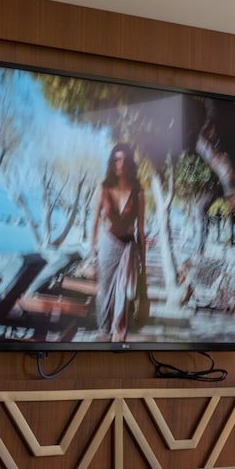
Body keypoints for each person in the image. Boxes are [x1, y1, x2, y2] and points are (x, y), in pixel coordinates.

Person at [88, 142, 146, 341]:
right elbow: (94, 225)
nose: (120, 164)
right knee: (104, 294)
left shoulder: (139, 192)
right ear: (111, 162)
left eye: (125, 160)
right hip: (107, 248)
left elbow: (141, 231)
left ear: (130, 163)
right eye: (116, 159)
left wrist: (143, 266)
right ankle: (104, 333)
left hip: (128, 250)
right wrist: (91, 257)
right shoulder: (103, 188)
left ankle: (118, 337)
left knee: (125, 294)